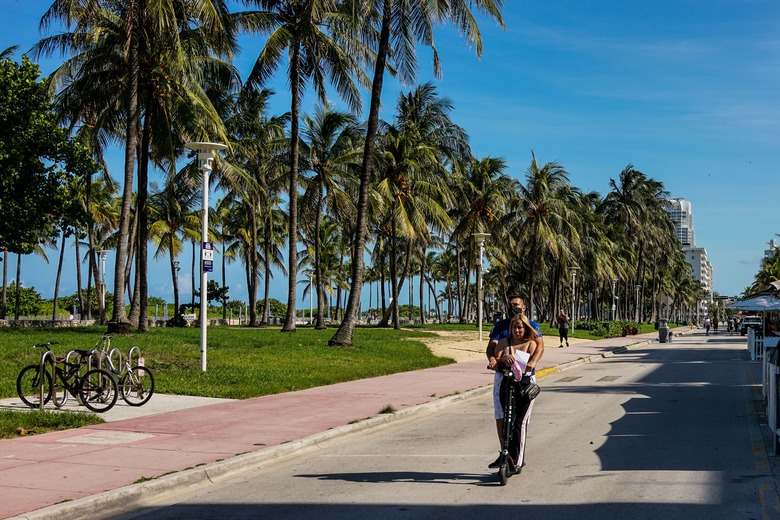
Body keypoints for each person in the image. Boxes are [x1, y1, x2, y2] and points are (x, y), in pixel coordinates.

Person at [485, 295, 544, 468]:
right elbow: (493, 347)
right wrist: (493, 360)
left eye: (517, 305)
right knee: (501, 415)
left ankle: (517, 457)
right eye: (511, 305)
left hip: (524, 377)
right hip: (503, 376)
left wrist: (533, 362)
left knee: (520, 420)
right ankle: (505, 452)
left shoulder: (531, 326)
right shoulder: (501, 326)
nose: (513, 308)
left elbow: (539, 346)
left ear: (524, 307)